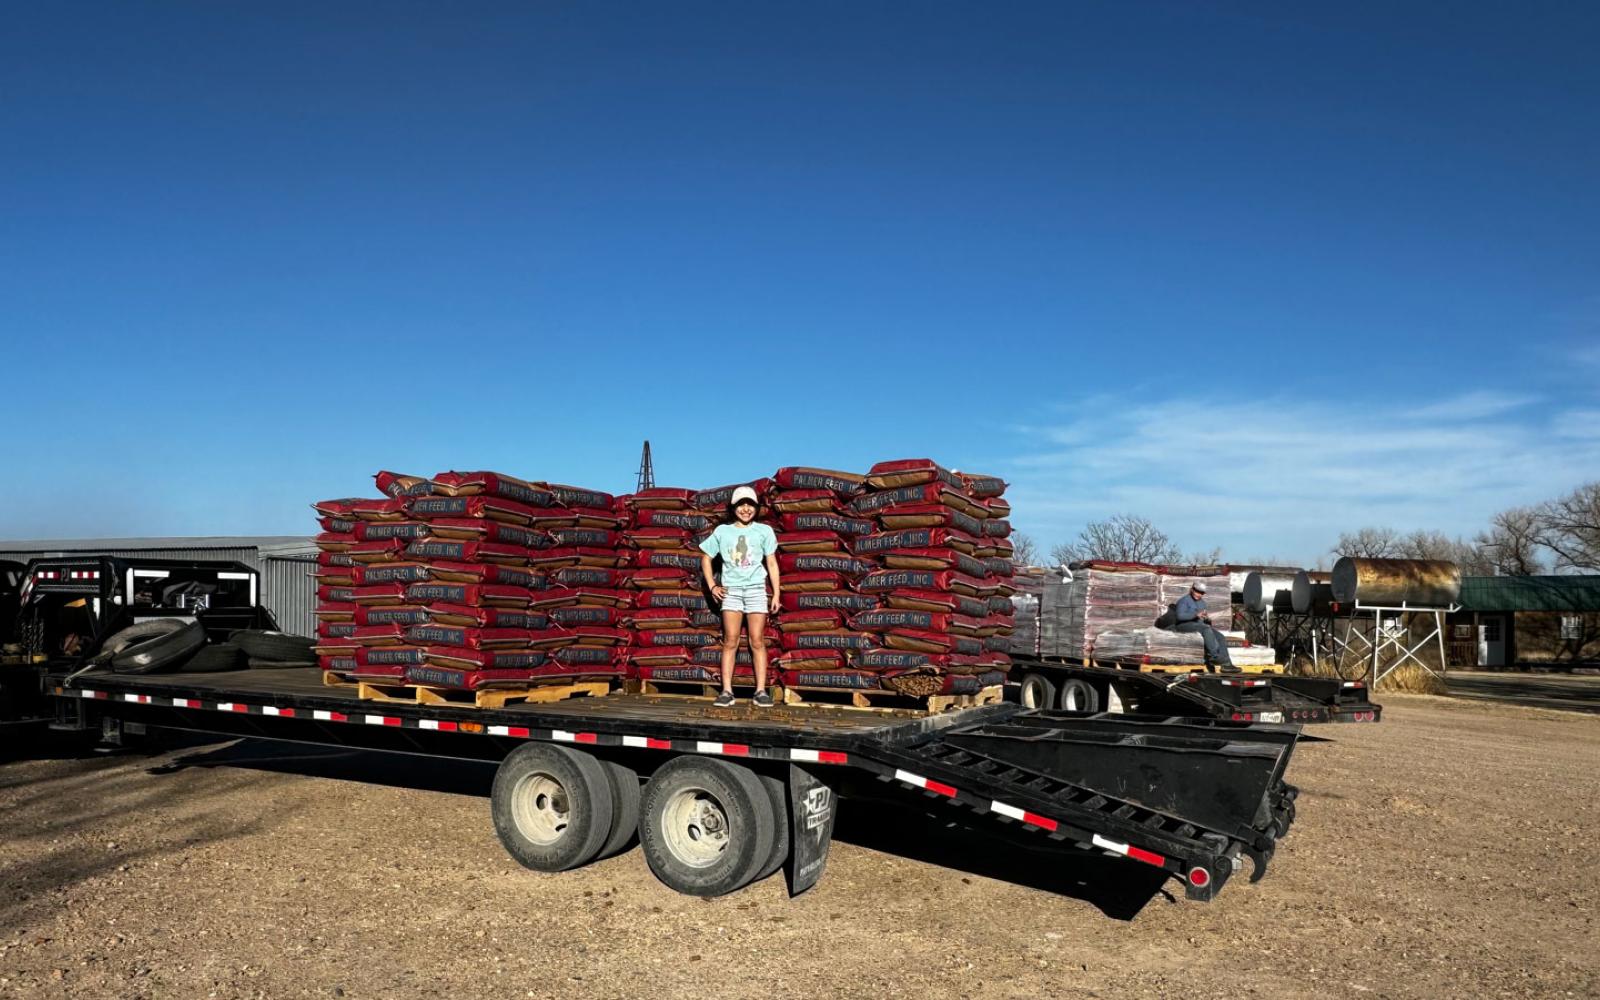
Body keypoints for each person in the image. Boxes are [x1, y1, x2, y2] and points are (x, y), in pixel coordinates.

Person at [698, 485, 781, 706]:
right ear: (734, 507)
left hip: (756, 590)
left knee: (757, 640)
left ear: (756, 508)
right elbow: (705, 557)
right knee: (730, 640)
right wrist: (712, 585)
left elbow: (771, 563)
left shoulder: (764, 531)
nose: (746, 509)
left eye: (750, 505)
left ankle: (760, 691)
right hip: (732, 591)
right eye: (741, 505)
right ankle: (726, 691)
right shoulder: (723, 532)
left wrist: (776, 594)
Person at [1172, 581, 1240, 674]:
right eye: (1197, 591)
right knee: (1206, 629)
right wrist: (1195, 615)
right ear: (1192, 589)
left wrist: (1206, 619)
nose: (1199, 594)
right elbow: (1180, 616)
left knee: (1220, 637)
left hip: (1197, 625)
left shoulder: (1202, 603)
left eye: (1201, 593)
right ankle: (1214, 657)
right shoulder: (1184, 601)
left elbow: (1201, 619)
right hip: (1183, 625)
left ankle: (1227, 665)